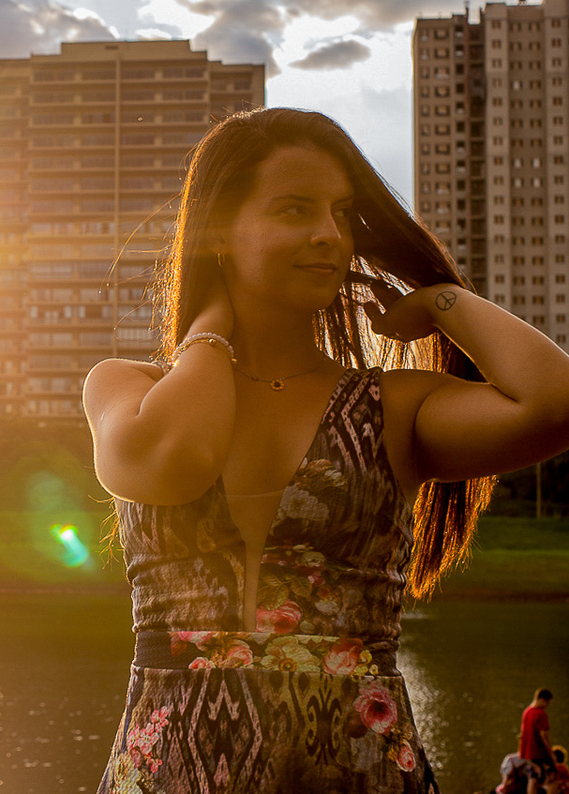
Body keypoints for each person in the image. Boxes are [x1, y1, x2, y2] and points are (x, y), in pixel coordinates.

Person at [83, 107, 569, 793]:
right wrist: (213, 321)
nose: (327, 236)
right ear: (221, 230)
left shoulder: (392, 407)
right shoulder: (125, 389)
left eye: (342, 214)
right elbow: (177, 459)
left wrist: (439, 304)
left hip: (358, 774)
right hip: (171, 777)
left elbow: (553, 405)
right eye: (294, 208)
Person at [521, 690, 558, 794]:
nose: (547, 705)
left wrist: (522, 752)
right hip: (539, 753)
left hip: (528, 753)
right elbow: (544, 735)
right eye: (547, 702)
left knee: (533, 778)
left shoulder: (527, 712)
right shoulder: (541, 714)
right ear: (542, 700)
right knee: (554, 779)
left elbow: (523, 734)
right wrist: (550, 753)